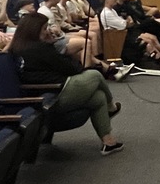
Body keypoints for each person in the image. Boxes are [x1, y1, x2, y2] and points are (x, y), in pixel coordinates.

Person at [8, 13, 124, 156]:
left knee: (98, 97)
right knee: (94, 75)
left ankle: (109, 142)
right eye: (44, 29)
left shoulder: (19, 48)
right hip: (54, 95)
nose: (48, 31)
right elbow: (72, 69)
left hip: (46, 93)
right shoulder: (40, 49)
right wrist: (53, 46)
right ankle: (111, 107)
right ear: (34, 30)